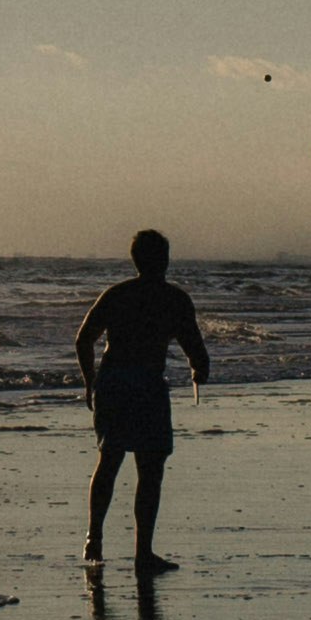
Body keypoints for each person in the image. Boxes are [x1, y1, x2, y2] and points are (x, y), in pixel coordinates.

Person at [74, 228, 210, 568]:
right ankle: (142, 552)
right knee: (149, 470)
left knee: (109, 460)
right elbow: (196, 350)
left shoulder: (117, 294)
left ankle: (95, 538)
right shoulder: (174, 299)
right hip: (147, 385)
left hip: (114, 382)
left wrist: (90, 381)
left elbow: (83, 340)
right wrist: (199, 370)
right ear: (163, 260)